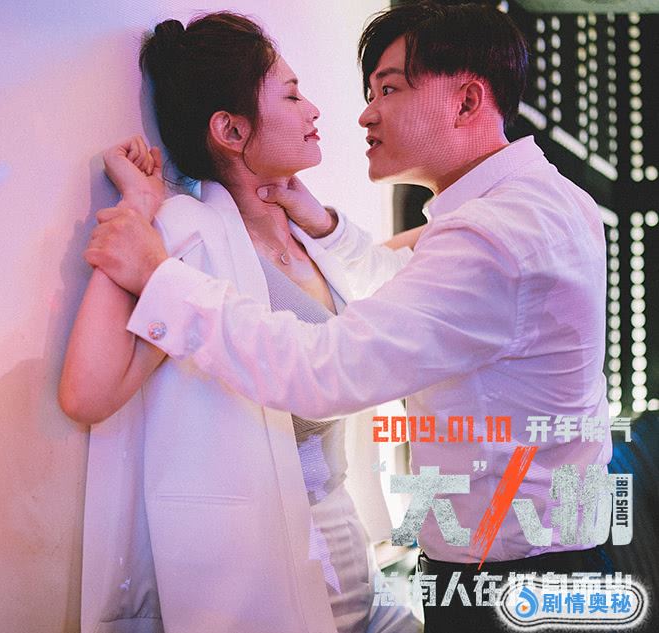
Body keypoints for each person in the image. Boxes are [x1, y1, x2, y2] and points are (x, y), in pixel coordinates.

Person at [85, 4, 613, 632]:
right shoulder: (543, 199)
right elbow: (419, 301)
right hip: (524, 558)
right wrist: (326, 228)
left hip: (511, 577)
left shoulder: (493, 236)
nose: (362, 114)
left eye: (389, 90)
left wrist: (160, 280)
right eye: (294, 94)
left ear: (468, 101)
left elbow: (326, 369)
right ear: (229, 129)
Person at [60, 12, 420, 633]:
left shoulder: (310, 235)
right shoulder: (187, 237)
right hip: (262, 577)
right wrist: (140, 207)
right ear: (230, 130)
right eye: (291, 95)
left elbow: (399, 290)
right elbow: (88, 393)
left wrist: (326, 225)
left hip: (353, 555)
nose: (314, 110)